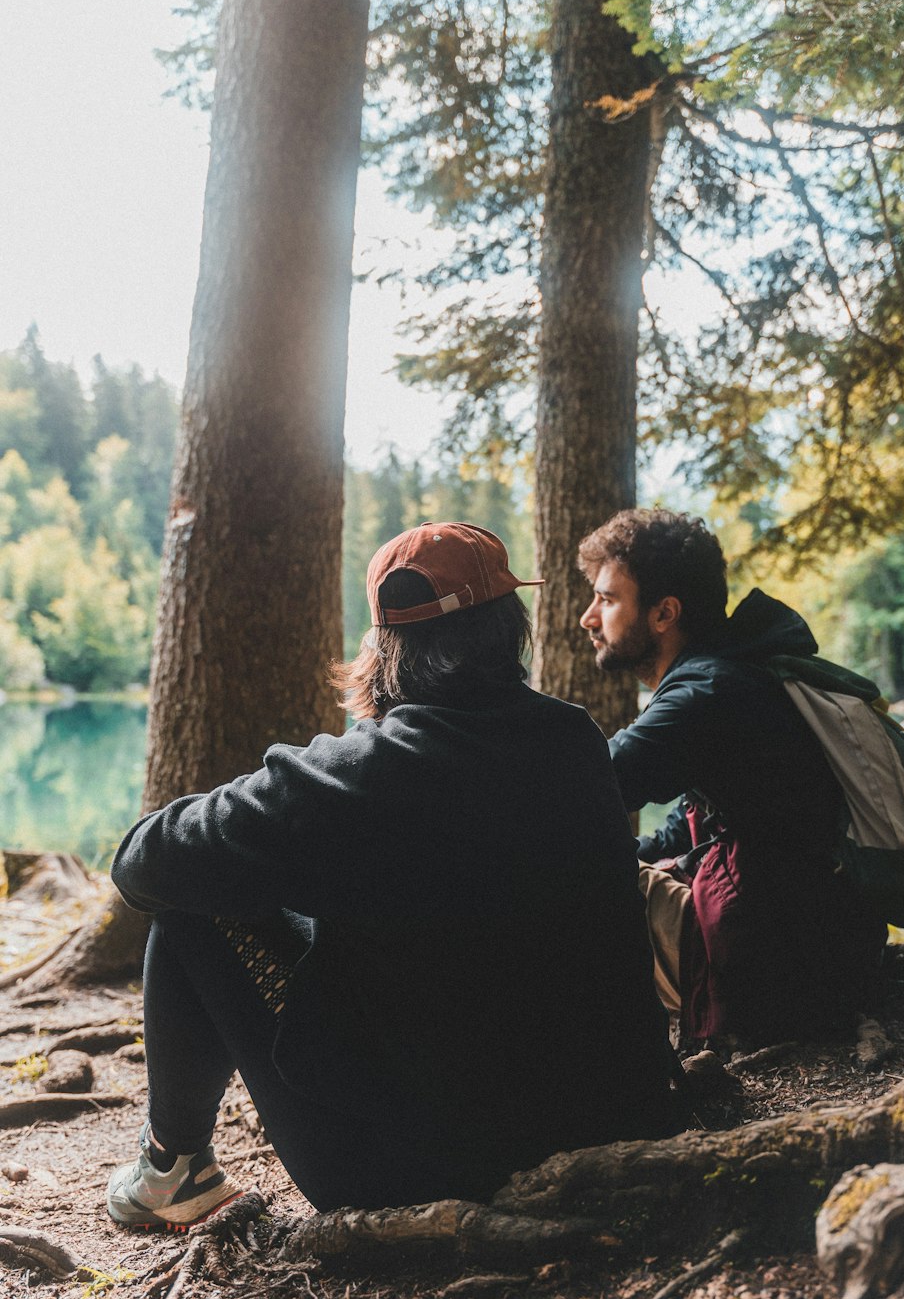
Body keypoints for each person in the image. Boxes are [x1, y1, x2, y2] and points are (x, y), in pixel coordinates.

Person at [107, 521, 679, 1232]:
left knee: (193, 903)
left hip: (407, 1169)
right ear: (511, 627)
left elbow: (141, 863)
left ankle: (172, 1171)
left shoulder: (359, 776)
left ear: (388, 646)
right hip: (610, 1129)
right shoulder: (575, 739)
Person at [578, 508, 886, 1049]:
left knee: (563, 877)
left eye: (607, 599)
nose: (588, 617)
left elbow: (585, 784)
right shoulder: (730, 671)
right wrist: (639, 851)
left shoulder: (705, 693)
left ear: (663, 613)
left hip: (777, 965)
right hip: (812, 947)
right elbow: (692, 822)